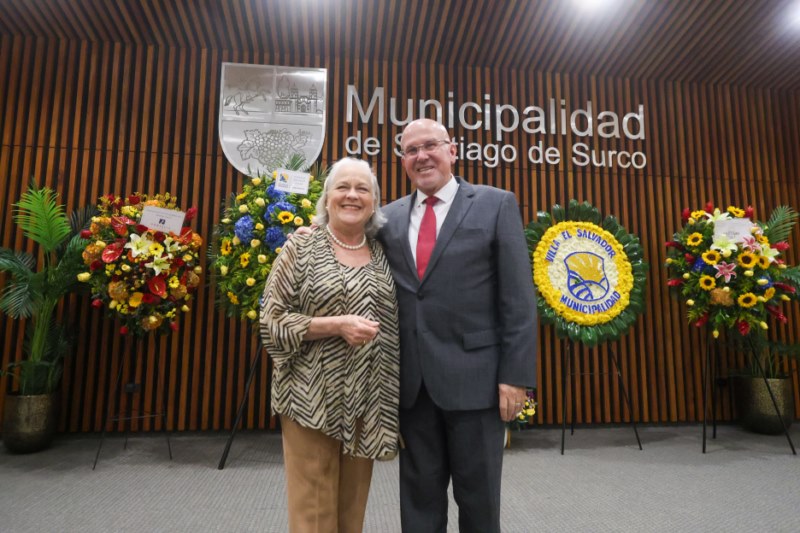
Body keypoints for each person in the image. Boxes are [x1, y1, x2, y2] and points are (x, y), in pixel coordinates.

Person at [381, 118, 538, 533]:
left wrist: (515, 377)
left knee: (479, 502)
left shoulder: (495, 203)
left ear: (453, 150)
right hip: (414, 387)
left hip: (479, 384)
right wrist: (309, 236)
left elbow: (518, 299)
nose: (421, 156)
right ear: (403, 161)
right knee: (418, 502)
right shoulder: (387, 218)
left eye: (430, 145)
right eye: (411, 150)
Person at [259, 157, 400, 533]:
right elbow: (271, 322)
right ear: (326, 198)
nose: (352, 195)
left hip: (367, 400)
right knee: (315, 510)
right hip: (310, 398)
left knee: (353, 510)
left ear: (374, 201)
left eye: (362, 189)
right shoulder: (300, 248)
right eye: (342, 187)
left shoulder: (383, 251)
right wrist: (335, 325)